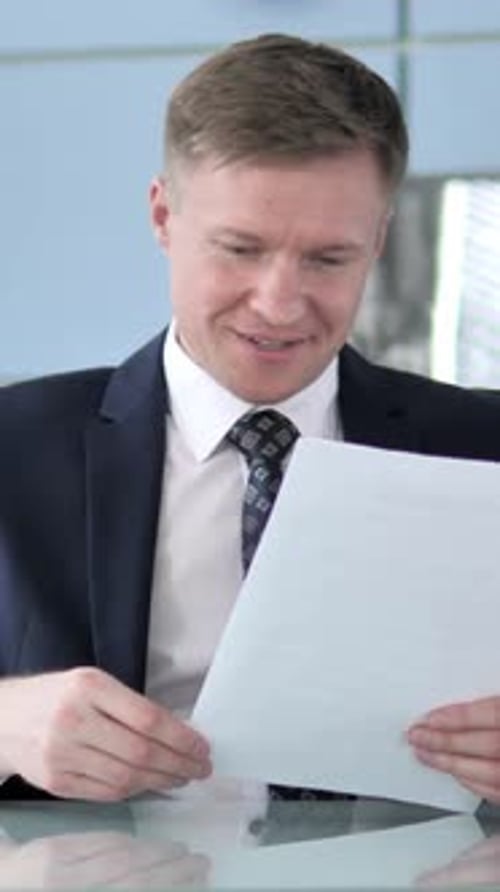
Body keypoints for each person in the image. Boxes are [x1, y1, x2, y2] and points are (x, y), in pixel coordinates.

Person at [1, 32, 500, 805]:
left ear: (379, 240)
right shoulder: (13, 447)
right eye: (239, 249)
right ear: (164, 217)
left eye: (329, 259)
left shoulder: (483, 450)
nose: (278, 304)